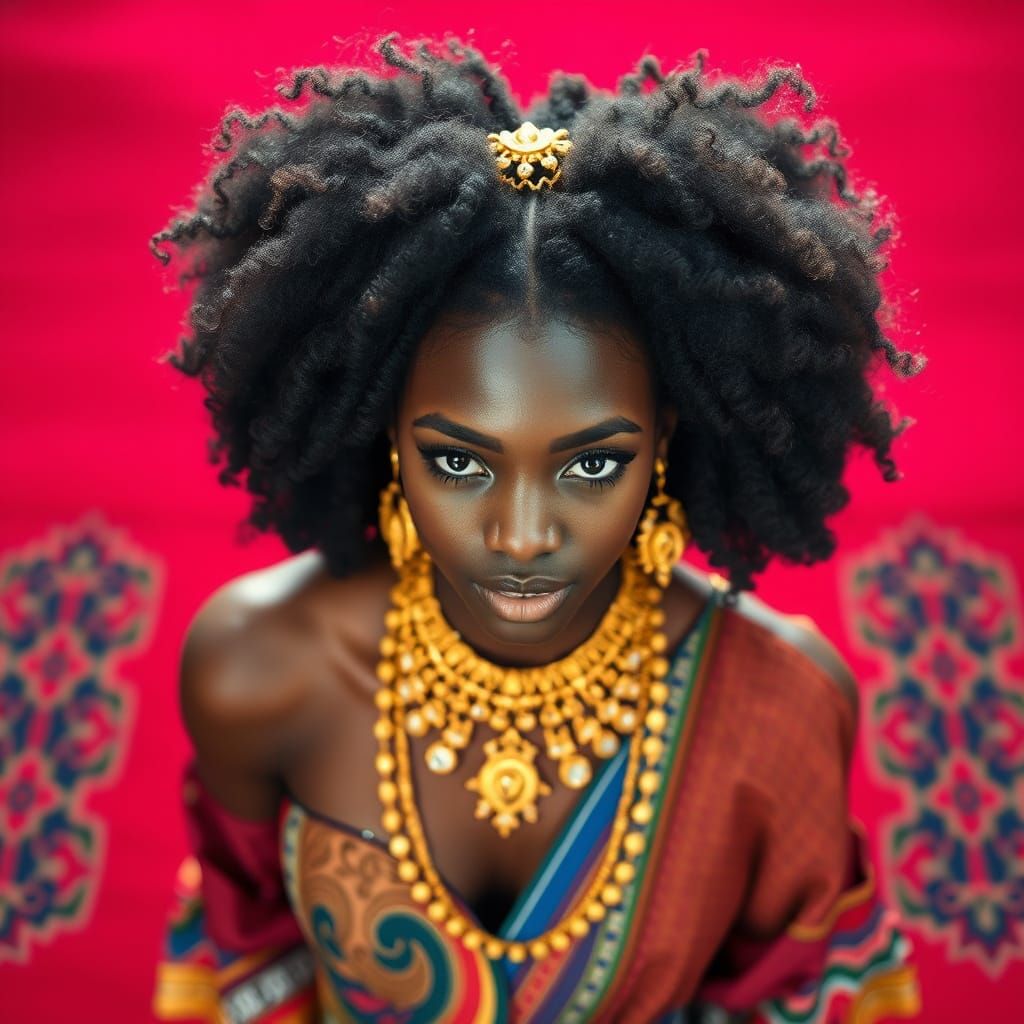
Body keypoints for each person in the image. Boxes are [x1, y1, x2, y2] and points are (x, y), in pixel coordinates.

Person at [149, 32, 925, 1023]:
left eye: (592, 463)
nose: (520, 534)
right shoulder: (253, 667)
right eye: (460, 461)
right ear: (385, 432)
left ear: (665, 438)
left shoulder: (777, 712)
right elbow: (243, 960)